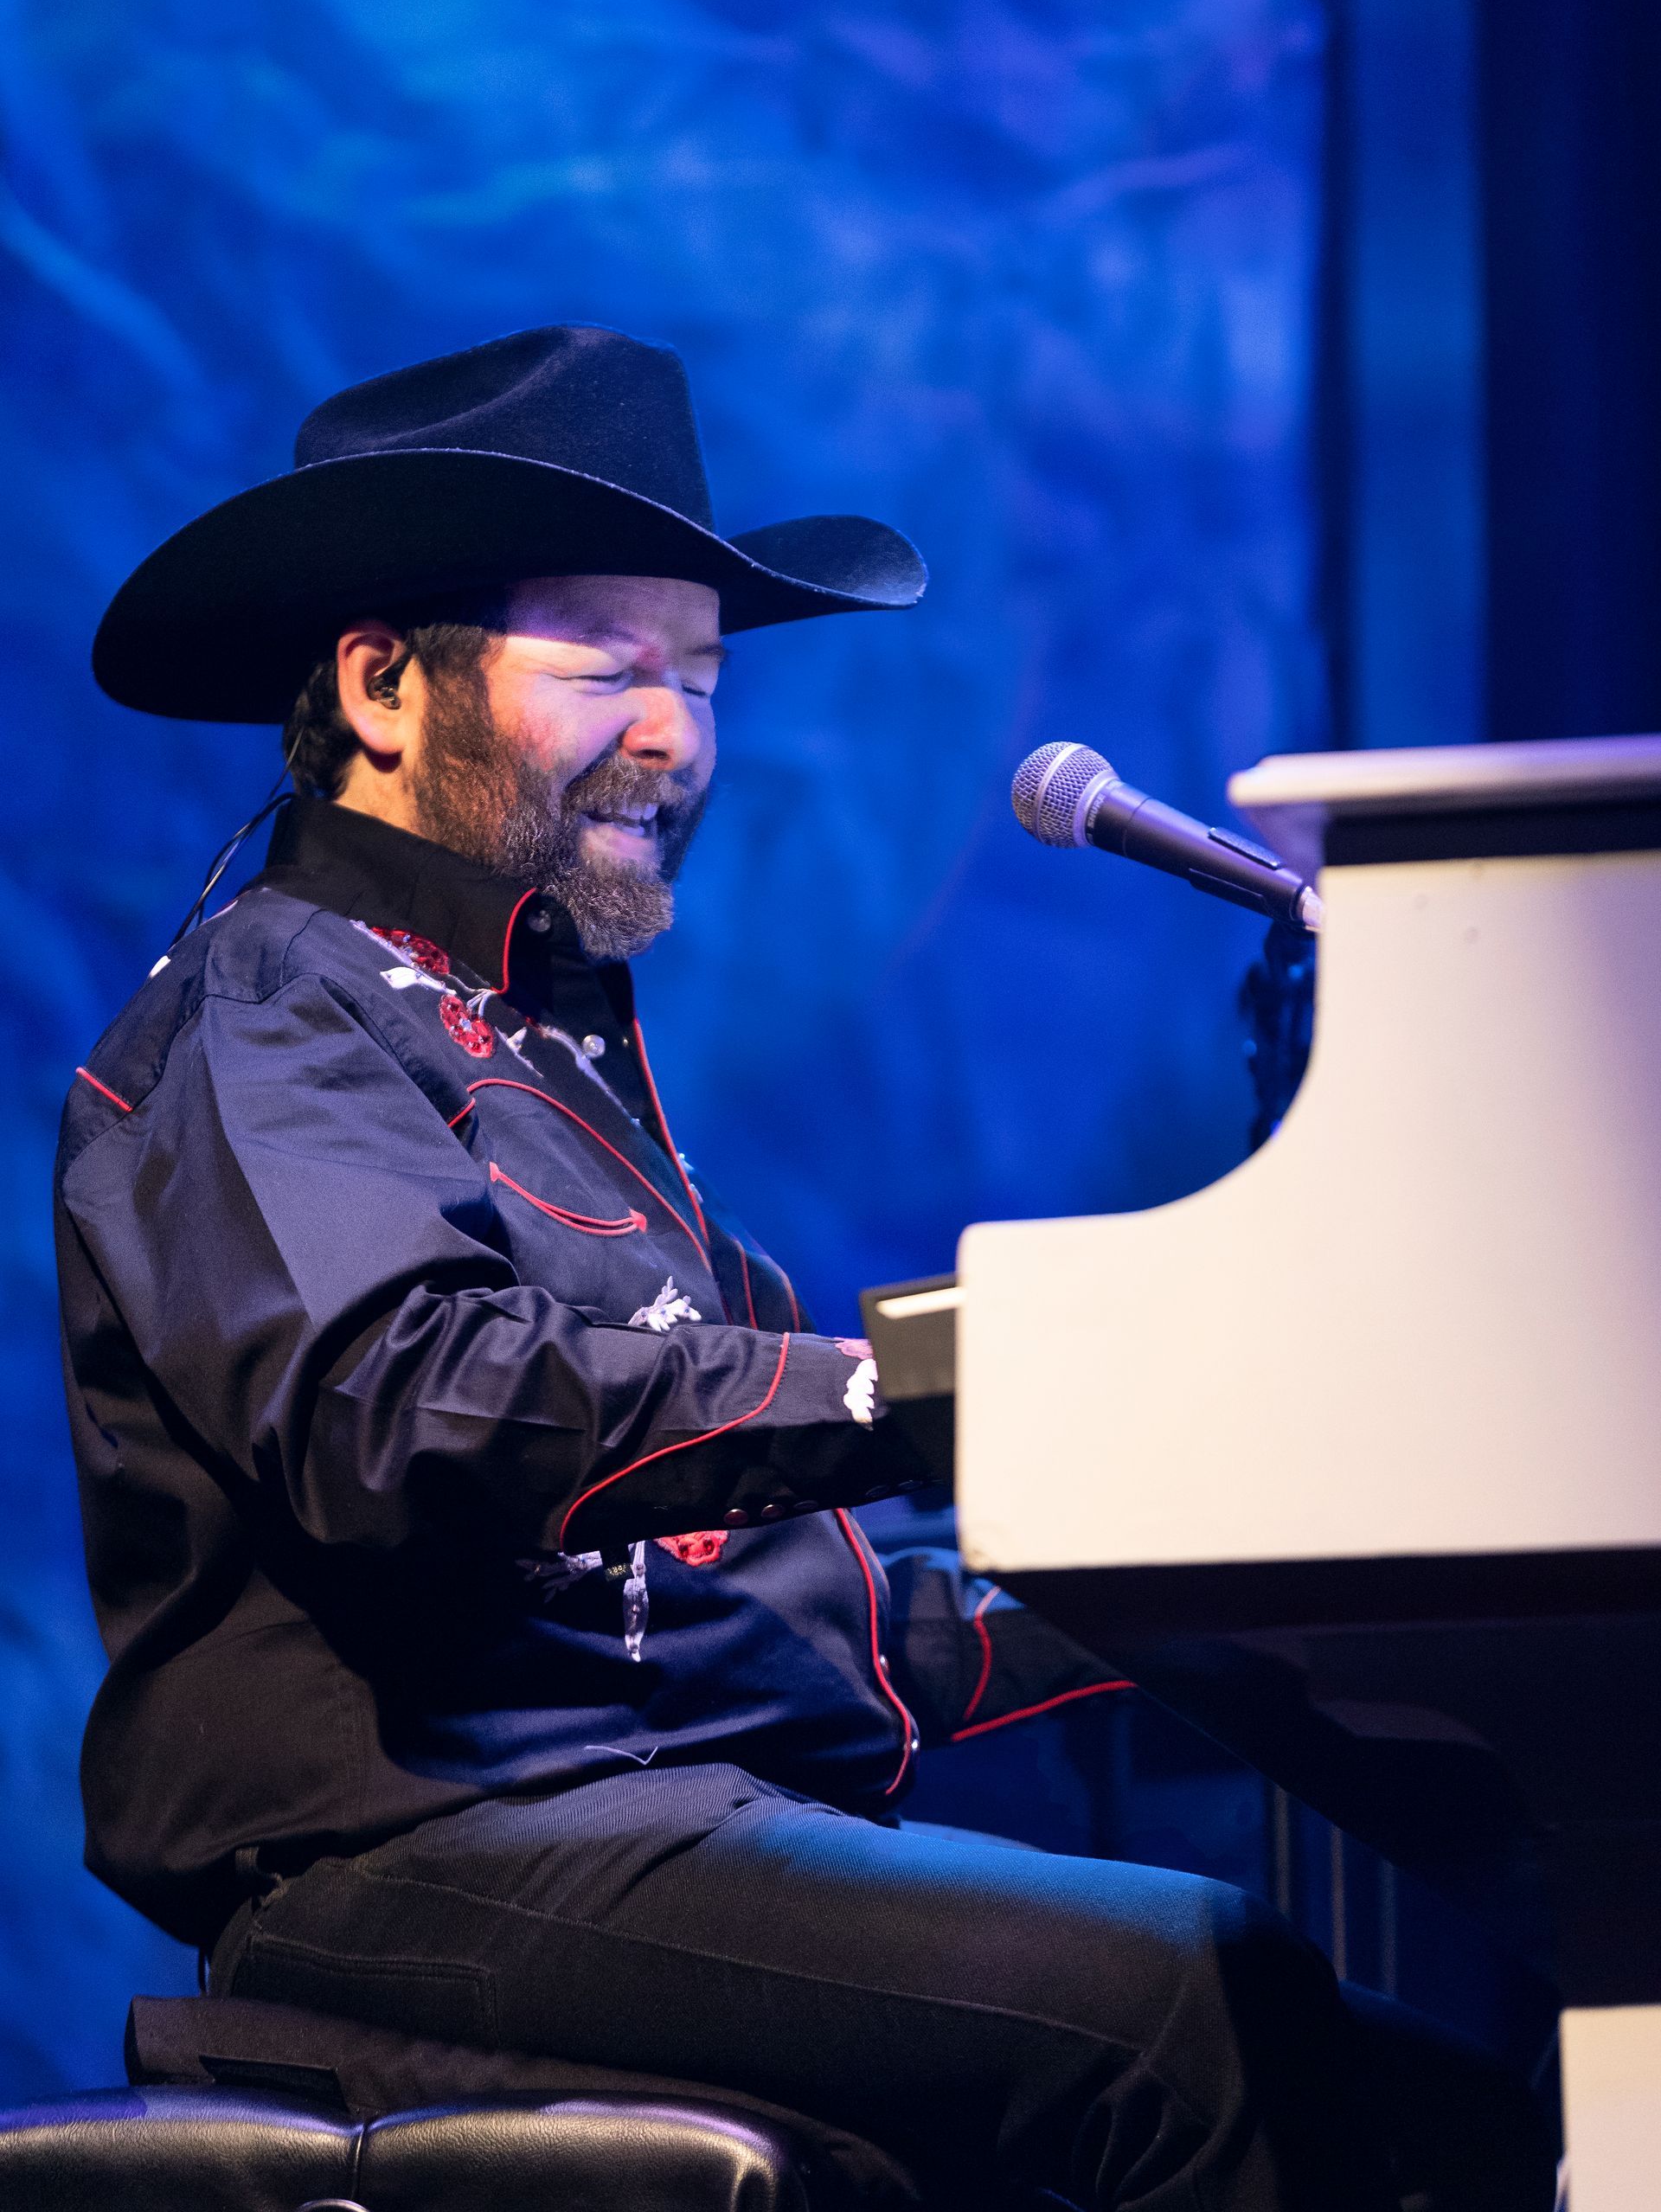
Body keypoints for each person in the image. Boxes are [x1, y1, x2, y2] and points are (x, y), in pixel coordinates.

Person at [55, 324, 1551, 2210]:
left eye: (699, 673)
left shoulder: (557, 1071)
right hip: (424, 1855)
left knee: (1448, 2121)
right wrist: (932, 1380)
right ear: (376, 685)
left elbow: (803, 1595)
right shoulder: (270, 1017)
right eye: (607, 663)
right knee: (1192, 2002)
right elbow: (417, 1412)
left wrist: (1246, 1606)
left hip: (646, 1817)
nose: (676, 733)